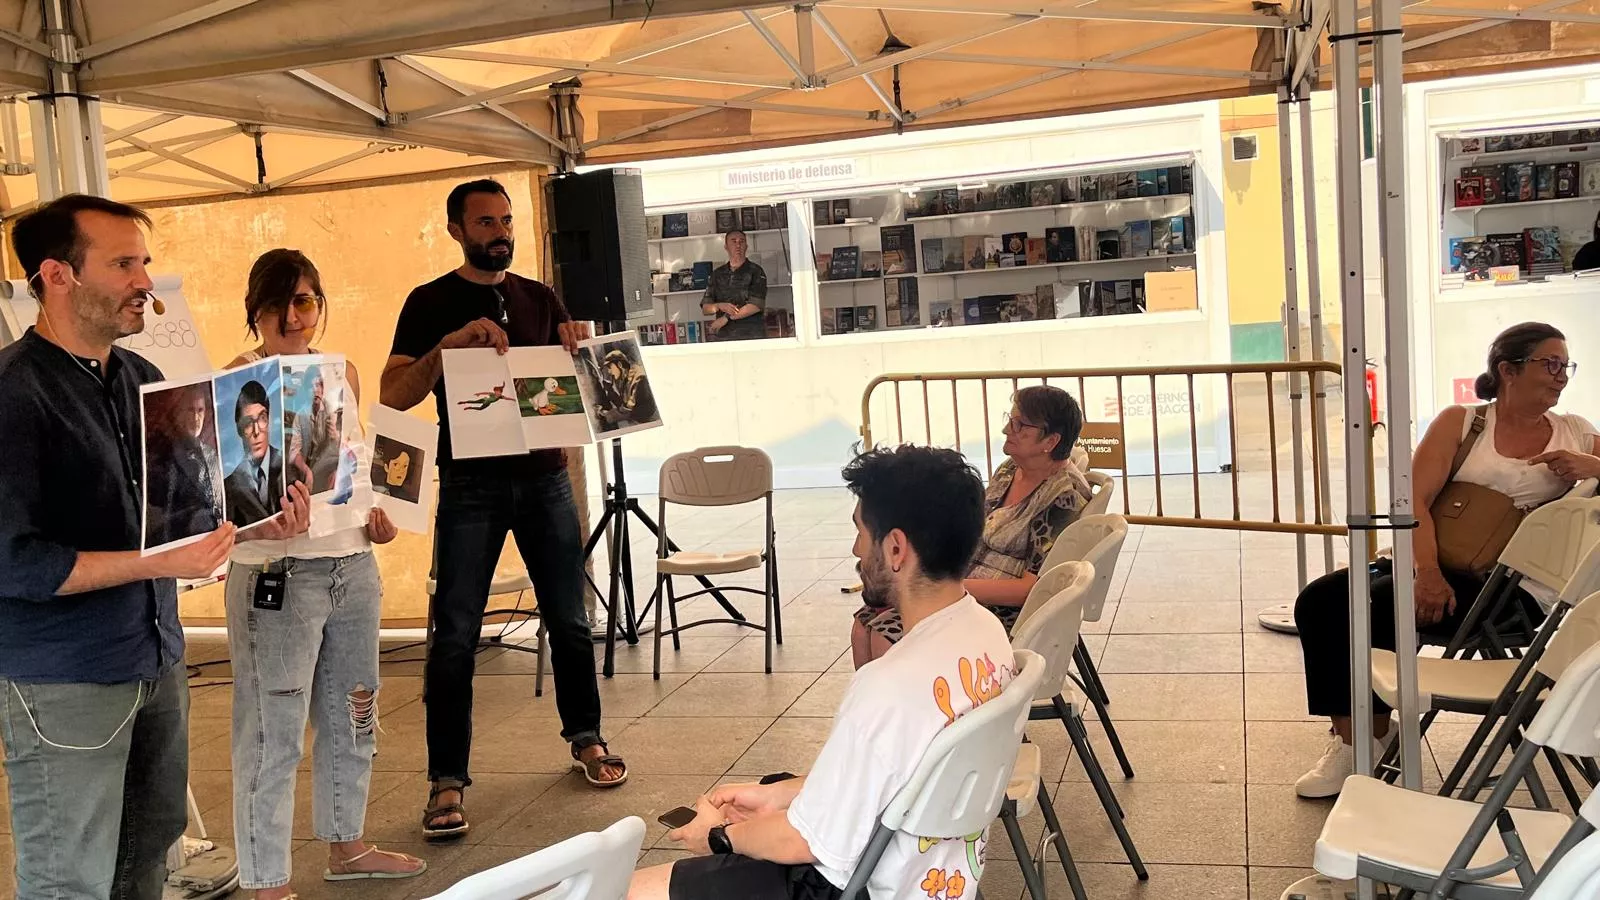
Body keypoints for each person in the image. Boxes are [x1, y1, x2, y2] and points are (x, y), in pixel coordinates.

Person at [0, 195, 272, 900]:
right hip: (65, 680)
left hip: (154, 657)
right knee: (70, 877)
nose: (145, 281)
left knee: (145, 857)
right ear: (56, 275)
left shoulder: (143, 381)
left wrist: (263, 520)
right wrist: (156, 564)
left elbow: (184, 516)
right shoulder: (12, 394)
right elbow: (13, 561)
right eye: (123, 263)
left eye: (144, 262)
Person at [627, 444, 1016, 900]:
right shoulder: (986, 631)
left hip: (867, 885)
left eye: (859, 532)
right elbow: (895, 771)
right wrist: (779, 797)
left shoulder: (887, 685)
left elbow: (806, 843)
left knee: (632, 890)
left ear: (895, 547)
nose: (854, 548)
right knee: (772, 786)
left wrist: (717, 838)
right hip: (934, 875)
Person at [380, 178, 625, 842]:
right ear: (456, 229)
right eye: (485, 221)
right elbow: (393, 393)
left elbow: (562, 391)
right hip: (471, 489)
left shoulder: (540, 296)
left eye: (506, 219)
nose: (500, 231)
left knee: (570, 622)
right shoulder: (429, 301)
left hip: (545, 480)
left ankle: (588, 738)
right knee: (454, 635)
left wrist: (578, 345)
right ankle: (446, 780)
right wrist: (447, 348)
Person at [1292, 321, 1600, 799]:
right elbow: (1412, 498)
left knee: (1366, 610)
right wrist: (1427, 573)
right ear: (1508, 369)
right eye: (1550, 363)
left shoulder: (1576, 431)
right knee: (1324, 600)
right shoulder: (1464, 422)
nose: (1561, 375)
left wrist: (1594, 468)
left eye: (1566, 365)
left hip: (1514, 588)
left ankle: (1363, 742)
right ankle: (1361, 738)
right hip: (1438, 561)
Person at [222, 248, 422, 898]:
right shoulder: (235, 383)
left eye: (306, 300)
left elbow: (356, 470)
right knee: (272, 729)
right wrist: (261, 525)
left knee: (355, 712)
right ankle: (266, 880)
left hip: (352, 566)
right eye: (280, 302)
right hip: (277, 576)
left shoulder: (343, 373)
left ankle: (348, 842)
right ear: (255, 310)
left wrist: (380, 520)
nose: (294, 315)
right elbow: (218, 503)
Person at [851, 385, 1091, 667]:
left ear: (1050, 441)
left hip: (1001, 611)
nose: (1006, 429)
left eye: (1019, 424)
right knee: (864, 624)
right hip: (963, 587)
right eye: (1009, 419)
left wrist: (949, 587)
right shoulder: (1010, 470)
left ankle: (917, 707)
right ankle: (878, 707)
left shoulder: (1064, 497)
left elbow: (1031, 589)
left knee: (885, 633)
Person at [144, 385, 224, 548]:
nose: (196, 417)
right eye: (189, 410)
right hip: (178, 547)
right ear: (177, 413)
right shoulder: (162, 457)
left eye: (200, 410)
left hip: (216, 540)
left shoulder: (212, 454)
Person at [223, 379, 288, 528]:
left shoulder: (290, 465)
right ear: (239, 430)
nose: (256, 431)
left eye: (262, 419)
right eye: (248, 423)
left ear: (269, 421)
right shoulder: (229, 487)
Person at [700, 229, 767, 341]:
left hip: (752, 336)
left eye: (742, 241)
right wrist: (719, 306)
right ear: (726, 247)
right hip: (724, 337)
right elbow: (706, 308)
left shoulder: (756, 271)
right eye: (734, 241)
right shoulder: (717, 274)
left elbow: (755, 306)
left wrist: (726, 318)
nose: (738, 245)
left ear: (746, 246)